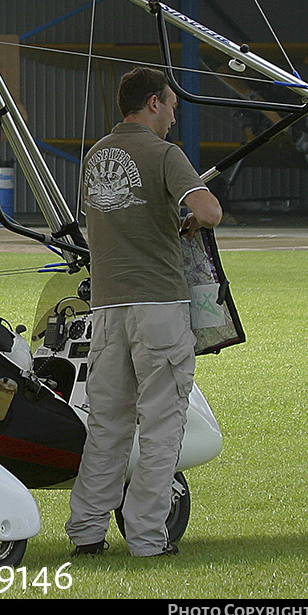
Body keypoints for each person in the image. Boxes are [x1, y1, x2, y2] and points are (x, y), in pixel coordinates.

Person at [65, 66, 222, 557]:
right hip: (159, 305)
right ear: (154, 103)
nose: (174, 117)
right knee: (161, 425)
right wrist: (192, 214)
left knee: (106, 424)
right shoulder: (164, 154)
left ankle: (87, 530)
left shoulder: (94, 157)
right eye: (172, 106)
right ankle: (149, 537)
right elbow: (211, 210)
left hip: (108, 308)